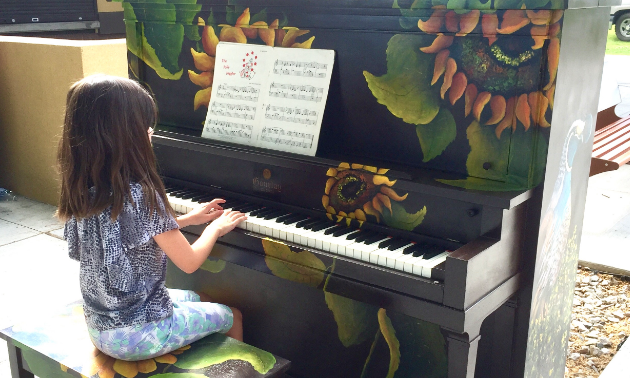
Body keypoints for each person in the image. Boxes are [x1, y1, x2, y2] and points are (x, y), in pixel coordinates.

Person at [56, 74, 246, 361]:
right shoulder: (141, 194)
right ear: (124, 135)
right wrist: (215, 228)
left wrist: (188, 220)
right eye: (144, 125)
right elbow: (190, 261)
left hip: (101, 328)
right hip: (139, 334)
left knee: (197, 299)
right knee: (234, 315)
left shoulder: (84, 188)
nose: (150, 132)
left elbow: (128, 233)